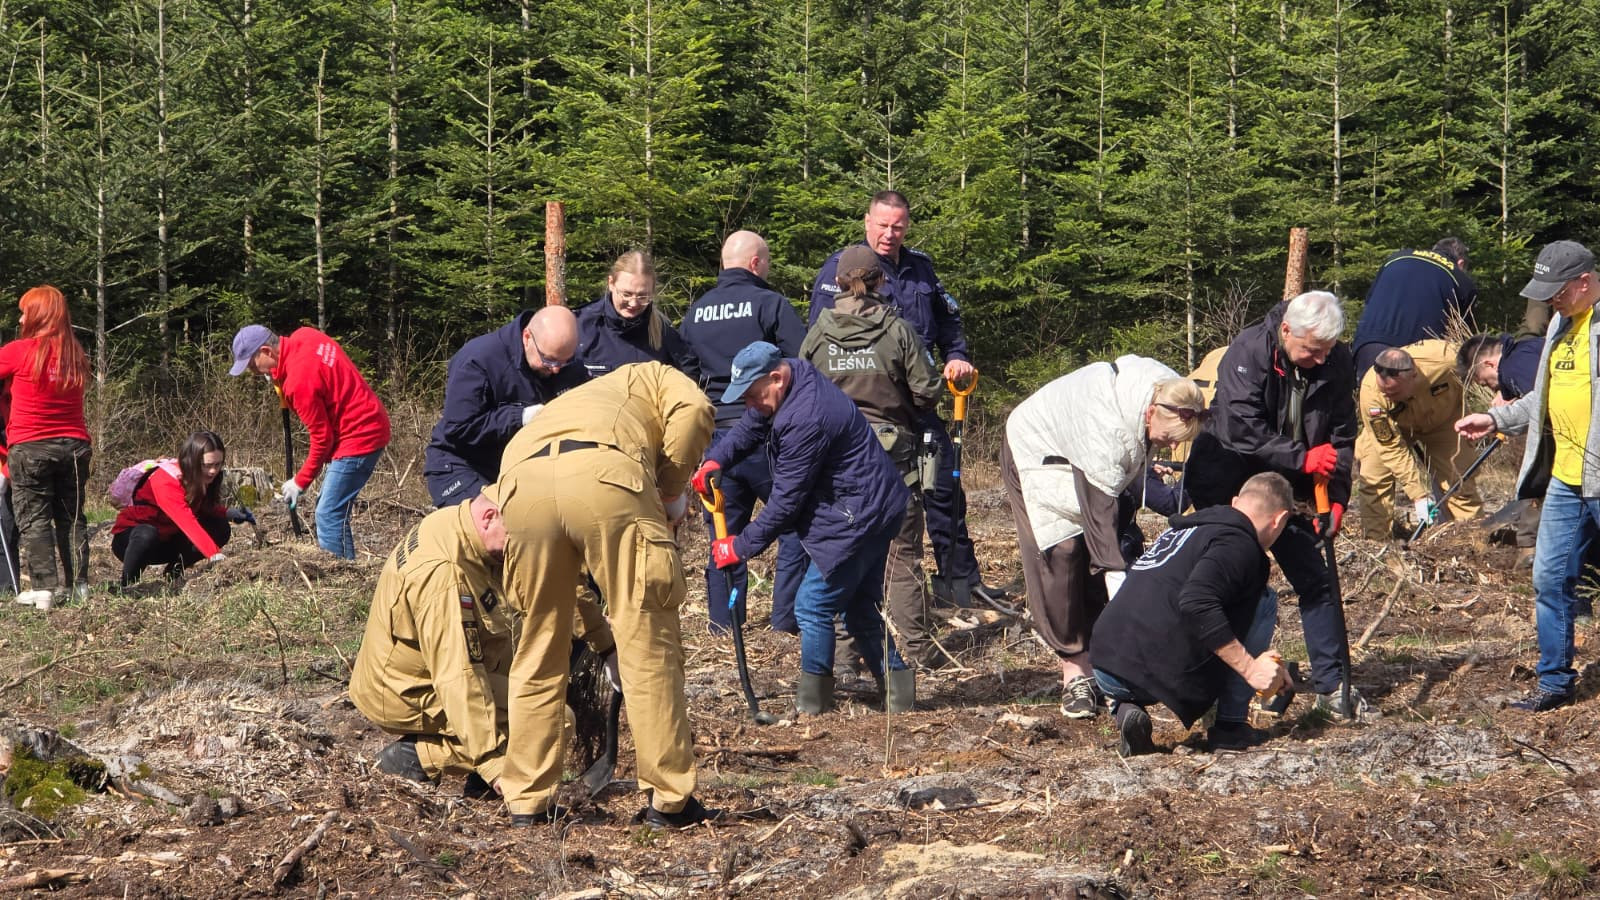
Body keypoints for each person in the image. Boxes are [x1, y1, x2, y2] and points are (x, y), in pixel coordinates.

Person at [491, 362, 716, 828]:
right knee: (646, 636)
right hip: (605, 470)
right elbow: (694, 408)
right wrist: (670, 490)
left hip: (520, 479)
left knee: (538, 643)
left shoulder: (576, 399)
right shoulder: (654, 374)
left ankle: (527, 800)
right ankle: (669, 801)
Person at [350, 489, 618, 796]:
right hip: (407, 691)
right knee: (553, 720)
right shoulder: (445, 575)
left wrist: (605, 643)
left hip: (430, 673)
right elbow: (458, 677)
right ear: (490, 518)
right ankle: (419, 758)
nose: (518, 552)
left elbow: (553, 580)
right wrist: (492, 764)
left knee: (539, 703)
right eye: (516, 542)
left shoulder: (469, 529)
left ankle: (482, 777)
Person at [697, 342, 913, 714]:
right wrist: (715, 460)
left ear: (776, 378)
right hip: (871, 505)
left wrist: (740, 546)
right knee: (860, 606)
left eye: (753, 395)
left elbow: (785, 503)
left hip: (858, 515)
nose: (751, 404)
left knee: (812, 605)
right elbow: (752, 424)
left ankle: (814, 705)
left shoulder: (806, 417)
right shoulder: (790, 381)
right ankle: (899, 696)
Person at [810, 191, 997, 606]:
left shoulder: (921, 268)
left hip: (922, 402)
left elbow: (949, 322)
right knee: (886, 503)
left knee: (945, 490)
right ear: (867, 222)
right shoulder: (843, 269)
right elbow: (821, 341)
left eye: (897, 226)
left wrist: (957, 358)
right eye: (882, 225)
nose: (889, 234)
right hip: (874, 410)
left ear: (906, 226)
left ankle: (960, 581)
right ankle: (880, 595)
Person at [1185, 290, 1364, 718]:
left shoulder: (1334, 360)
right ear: (1287, 332)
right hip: (1227, 473)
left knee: (1316, 579)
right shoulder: (1247, 352)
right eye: (1310, 350)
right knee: (1228, 580)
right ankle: (1208, 686)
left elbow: (1340, 433)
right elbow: (1242, 428)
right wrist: (1303, 458)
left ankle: (1333, 687)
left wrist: (1337, 497)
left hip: (1292, 478)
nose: (1320, 360)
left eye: (1326, 351)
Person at [1002, 356, 1206, 718]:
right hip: (1035, 449)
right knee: (1062, 551)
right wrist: (1131, 613)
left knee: (1099, 552)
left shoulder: (1178, 391)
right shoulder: (1108, 432)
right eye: (1167, 439)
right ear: (1150, 415)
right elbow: (1105, 538)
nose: (1172, 448)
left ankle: (1104, 662)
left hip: (1080, 450)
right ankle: (1075, 673)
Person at [1457, 240, 1600, 712]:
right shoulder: (1561, 324)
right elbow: (1544, 398)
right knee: (1549, 578)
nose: (1550, 301)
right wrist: (1496, 420)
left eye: (1557, 291)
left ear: (1584, 282)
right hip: (1565, 477)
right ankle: (1555, 681)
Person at [800, 244, 944, 669]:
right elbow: (928, 389)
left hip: (834, 467)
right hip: (893, 462)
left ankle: (844, 660)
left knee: (838, 557)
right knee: (903, 557)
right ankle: (915, 652)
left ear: (838, 283)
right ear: (881, 281)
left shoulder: (818, 334)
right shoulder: (898, 331)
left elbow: (802, 394)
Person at [1092, 473, 1296, 756]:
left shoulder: (1187, 530)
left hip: (1103, 663)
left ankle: (1124, 707)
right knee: (1264, 599)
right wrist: (1252, 668)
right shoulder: (1240, 545)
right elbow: (1197, 603)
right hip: (1155, 670)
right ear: (1279, 520)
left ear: (1236, 502)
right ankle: (1230, 726)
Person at [679, 231, 808, 634]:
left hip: (717, 441)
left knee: (724, 532)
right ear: (756, 264)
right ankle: (786, 620)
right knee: (795, 524)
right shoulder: (771, 303)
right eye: (766, 262)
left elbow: (683, 375)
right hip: (766, 436)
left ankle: (723, 624)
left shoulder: (696, 312)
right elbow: (800, 364)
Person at [229, 323, 391, 559]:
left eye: (253, 365)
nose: (253, 372)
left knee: (328, 514)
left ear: (266, 351)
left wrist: (300, 481)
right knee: (329, 506)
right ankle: (344, 568)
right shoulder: (306, 336)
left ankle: (341, 578)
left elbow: (322, 439)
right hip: (368, 421)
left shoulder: (298, 381)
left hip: (360, 436)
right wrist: (276, 375)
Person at [423, 306, 588, 507]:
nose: (555, 369)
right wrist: (521, 417)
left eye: (564, 362)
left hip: (520, 466)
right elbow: (458, 428)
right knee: (493, 522)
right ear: (527, 337)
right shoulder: (479, 359)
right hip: (461, 463)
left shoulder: (566, 362)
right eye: (548, 360)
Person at [0, 286, 91, 603]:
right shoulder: (74, 354)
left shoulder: (19, 351)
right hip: (75, 447)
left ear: (37, 315)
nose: (21, 316)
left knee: (34, 518)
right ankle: (79, 585)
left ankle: (43, 589)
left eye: (25, 310)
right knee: (72, 518)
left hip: (31, 446)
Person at [1354, 341, 1480, 541]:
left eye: (1394, 393)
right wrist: (1418, 495)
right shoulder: (1372, 392)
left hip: (1445, 421)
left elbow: (1484, 361)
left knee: (1459, 482)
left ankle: (1471, 541)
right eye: (1384, 392)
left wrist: (1503, 393)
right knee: (1374, 478)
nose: (1388, 396)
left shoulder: (1445, 358)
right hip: (1397, 428)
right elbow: (1389, 447)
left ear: (1413, 376)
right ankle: (1378, 545)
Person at [109, 431, 251, 586]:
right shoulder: (165, 481)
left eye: (218, 465)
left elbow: (201, 507)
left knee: (220, 526)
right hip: (134, 543)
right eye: (208, 465)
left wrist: (228, 513)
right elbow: (186, 520)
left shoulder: (199, 478)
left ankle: (174, 572)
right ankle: (128, 584)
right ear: (192, 461)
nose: (213, 471)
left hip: (167, 539)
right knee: (147, 533)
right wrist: (214, 555)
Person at [1458, 332, 1548, 565]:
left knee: (1535, 482)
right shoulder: (1525, 350)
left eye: (1486, 381)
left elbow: (1541, 404)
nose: (1490, 387)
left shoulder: (1514, 366)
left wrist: (1498, 416)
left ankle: (1530, 551)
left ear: (1489, 363)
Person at [1350, 238, 1477, 378]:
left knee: (1371, 395)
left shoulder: (1396, 258)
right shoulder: (1461, 280)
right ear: (1461, 263)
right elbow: (1461, 337)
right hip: (1418, 356)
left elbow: (1369, 300)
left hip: (1370, 343)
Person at [575, 250, 701, 381]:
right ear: (611, 284)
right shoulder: (582, 325)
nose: (633, 303)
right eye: (626, 294)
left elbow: (689, 375)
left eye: (642, 296)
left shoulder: (663, 331)